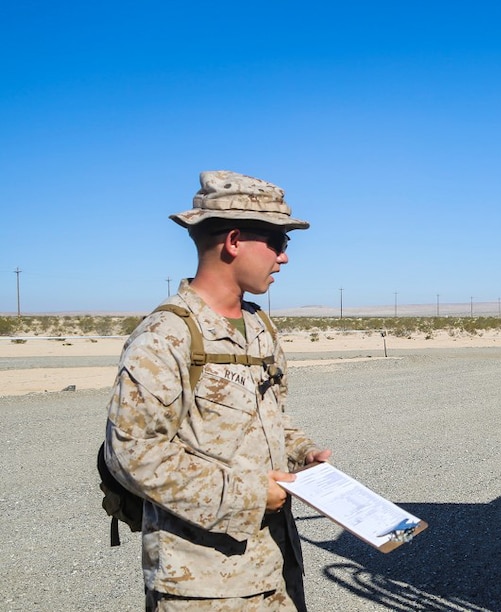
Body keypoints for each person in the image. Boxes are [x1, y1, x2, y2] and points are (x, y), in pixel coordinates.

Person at [103, 170, 331, 611]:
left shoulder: (259, 326)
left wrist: (305, 453)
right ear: (233, 241)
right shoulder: (166, 336)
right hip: (203, 585)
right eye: (279, 243)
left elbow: (267, 418)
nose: (284, 258)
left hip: (275, 566)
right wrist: (250, 495)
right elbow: (133, 455)